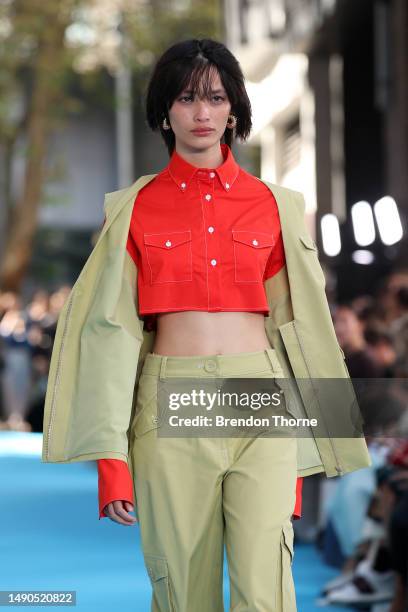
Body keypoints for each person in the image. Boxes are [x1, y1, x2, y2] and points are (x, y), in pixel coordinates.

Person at [42, 38, 371, 612]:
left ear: (234, 108)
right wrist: (110, 461)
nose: (202, 112)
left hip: (260, 397)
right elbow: (111, 337)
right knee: (183, 593)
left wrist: (301, 455)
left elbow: (298, 330)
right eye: (187, 98)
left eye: (215, 98)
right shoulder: (131, 209)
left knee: (267, 589)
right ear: (164, 111)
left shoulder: (276, 205)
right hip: (170, 401)